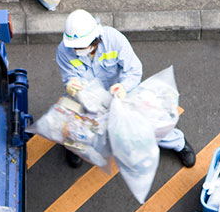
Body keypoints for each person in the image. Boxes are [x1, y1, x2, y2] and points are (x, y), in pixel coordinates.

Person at [56, 9, 196, 169]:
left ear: (96, 38)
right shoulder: (64, 50)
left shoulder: (114, 39)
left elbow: (134, 70)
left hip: (121, 95)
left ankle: (178, 143)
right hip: (89, 99)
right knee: (74, 124)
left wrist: (124, 87)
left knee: (148, 125)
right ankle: (76, 148)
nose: (77, 50)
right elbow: (69, 77)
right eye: (75, 47)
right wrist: (71, 84)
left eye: (82, 46)